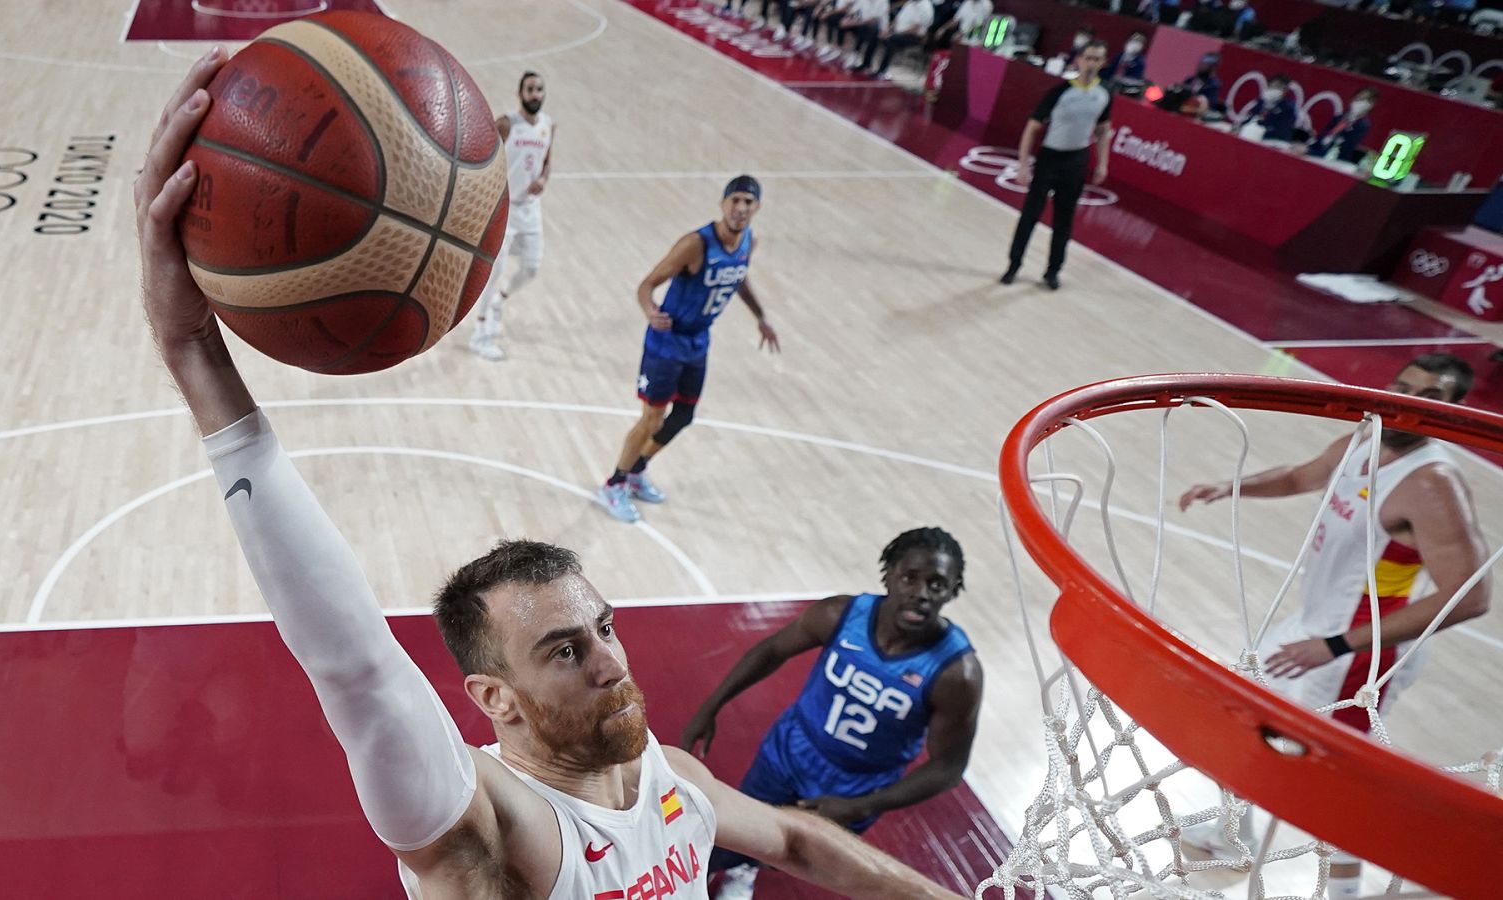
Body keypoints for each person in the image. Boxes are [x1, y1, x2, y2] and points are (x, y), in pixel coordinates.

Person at [136, 51, 966, 900]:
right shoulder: (494, 828)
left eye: (603, 629)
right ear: (494, 697)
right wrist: (193, 351)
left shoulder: (670, 779)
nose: (611, 664)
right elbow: (357, 665)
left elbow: (796, 837)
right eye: (565, 651)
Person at [1177, 354, 1491, 900]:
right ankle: (1231, 835)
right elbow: (1302, 475)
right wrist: (1231, 486)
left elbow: (1471, 596)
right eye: (1403, 386)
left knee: (1333, 782)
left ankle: (1343, 892)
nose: (1408, 402)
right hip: (1316, 625)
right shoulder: (1366, 437)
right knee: (1245, 714)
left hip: (1364, 648)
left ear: (1454, 409)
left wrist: (1337, 645)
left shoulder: (1433, 484)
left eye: (1430, 396)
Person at [680, 528, 983, 899]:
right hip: (790, 751)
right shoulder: (839, 614)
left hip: (858, 785)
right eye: (910, 578)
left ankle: (746, 869)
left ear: (953, 591)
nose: (921, 593)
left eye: (937, 584)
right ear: (888, 574)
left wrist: (862, 805)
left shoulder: (957, 673)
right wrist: (711, 707)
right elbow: (772, 649)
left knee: (796, 852)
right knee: (738, 827)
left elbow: (948, 768)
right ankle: (712, 871)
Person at [597, 177, 780, 524]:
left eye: (748, 202)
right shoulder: (696, 244)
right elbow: (647, 284)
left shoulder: (748, 242)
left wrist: (761, 317)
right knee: (652, 418)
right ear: (723, 203)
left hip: (698, 340)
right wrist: (649, 310)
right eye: (735, 200)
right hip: (666, 343)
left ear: (757, 207)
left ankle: (636, 469)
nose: (741, 208)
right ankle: (614, 483)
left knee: (683, 416)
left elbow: (738, 277)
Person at [1000, 39, 1113, 291]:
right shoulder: (1059, 92)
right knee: (1030, 215)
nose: (1092, 63)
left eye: (1097, 59)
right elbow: (1032, 128)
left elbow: (1103, 131)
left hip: (1077, 160)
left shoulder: (1104, 93)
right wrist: (1023, 164)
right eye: (1088, 58)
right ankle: (1014, 265)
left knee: (1064, 219)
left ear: (1103, 63)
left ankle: (1053, 271)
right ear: (1079, 60)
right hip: (1049, 158)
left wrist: (1102, 164)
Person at [469, 72, 556, 362]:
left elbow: (547, 162)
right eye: (530, 89)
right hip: (504, 209)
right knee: (494, 270)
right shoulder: (506, 124)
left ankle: (499, 301)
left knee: (531, 267)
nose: (535, 94)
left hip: (531, 209)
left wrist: (543, 179)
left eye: (539, 89)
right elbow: (483, 156)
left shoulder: (547, 125)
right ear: (520, 94)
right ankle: (480, 334)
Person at [1306, 87, 1376, 163]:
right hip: (1318, 151)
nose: (1358, 102)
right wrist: (1309, 145)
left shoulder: (1362, 125)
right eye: (1357, 98)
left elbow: (1347, 148)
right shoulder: (1339, 117)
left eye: (1362, 100)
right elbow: (1323, 137)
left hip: (1335, 159)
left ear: (1370, 104)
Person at [869, 0, 936, 77]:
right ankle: (867, 64)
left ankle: (882, 71)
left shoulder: (926, 8)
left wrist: (893, 34)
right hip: (898, 33)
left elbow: (915, 29)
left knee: (892, 39)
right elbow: (898, 18)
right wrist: (887, 30)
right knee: (876, 33)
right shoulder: (910, 2)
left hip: (913, 37)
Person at [1235, 73, 1299, 142]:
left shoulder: (1288, 108)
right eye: (1272, 86)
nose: (1274, 89)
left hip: (1275, 140)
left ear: (1284, 90)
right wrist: (1240, 126)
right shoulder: (1262, 101)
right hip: (1256, 135)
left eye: (1278, 87)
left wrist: (1263, 132)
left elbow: (1283, 130)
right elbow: (1252, 116)